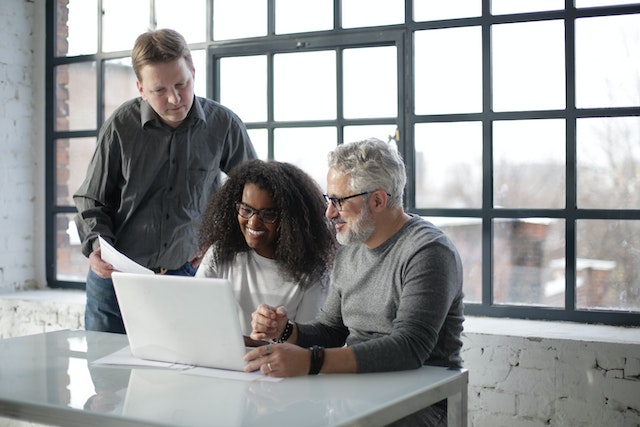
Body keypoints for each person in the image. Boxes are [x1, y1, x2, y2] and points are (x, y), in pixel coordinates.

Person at [245, 138, 464, 426]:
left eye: (338, 201)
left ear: (377, 200)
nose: (329, 213)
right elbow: (331, 329)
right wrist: (284, 331)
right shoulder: (350, 246)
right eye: (328, 199)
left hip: (418, 400)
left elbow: (409, 348)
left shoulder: (428, 251)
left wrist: (312, 362)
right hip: (353, 390)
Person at [74, 28, 256, 334]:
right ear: (141, 88)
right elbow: (91, 200)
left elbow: (254, 193)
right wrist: (95, 244)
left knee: (178, 377)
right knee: (108, 377)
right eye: (159, 90)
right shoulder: (121, 126)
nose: (174, 98)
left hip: (186, 277)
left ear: (193, 72)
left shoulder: (224, 125)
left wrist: (222, 238)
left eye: (181, 84)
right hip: (116, 280)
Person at [196, 159, 337, 335]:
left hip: (278, 362)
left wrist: (269, 337)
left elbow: (306, 345)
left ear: (290, 219)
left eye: (268, 214)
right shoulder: (220, 254)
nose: (253, 222)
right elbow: (197, 320)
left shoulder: (313, 273)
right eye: (246, 210)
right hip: (221, 359)